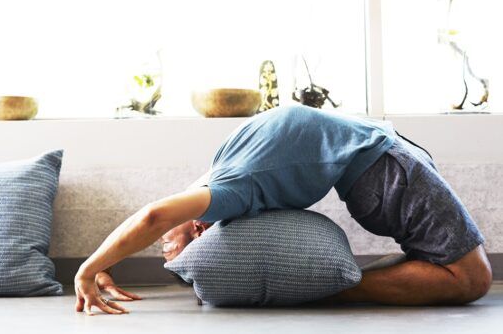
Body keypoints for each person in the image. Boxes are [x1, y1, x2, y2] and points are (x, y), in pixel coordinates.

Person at [74, 105, 492, 315]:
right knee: (467, 275)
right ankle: (340, 287)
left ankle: (336, 289)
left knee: (471, 279)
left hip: (386, 166)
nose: (165, 251)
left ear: (199, 228)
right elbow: (156, 217)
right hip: (383, 163)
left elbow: (153, 216)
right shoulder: (224, 167)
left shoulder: (229, 186)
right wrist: (107, 260)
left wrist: (88, 268)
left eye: (168, 249)